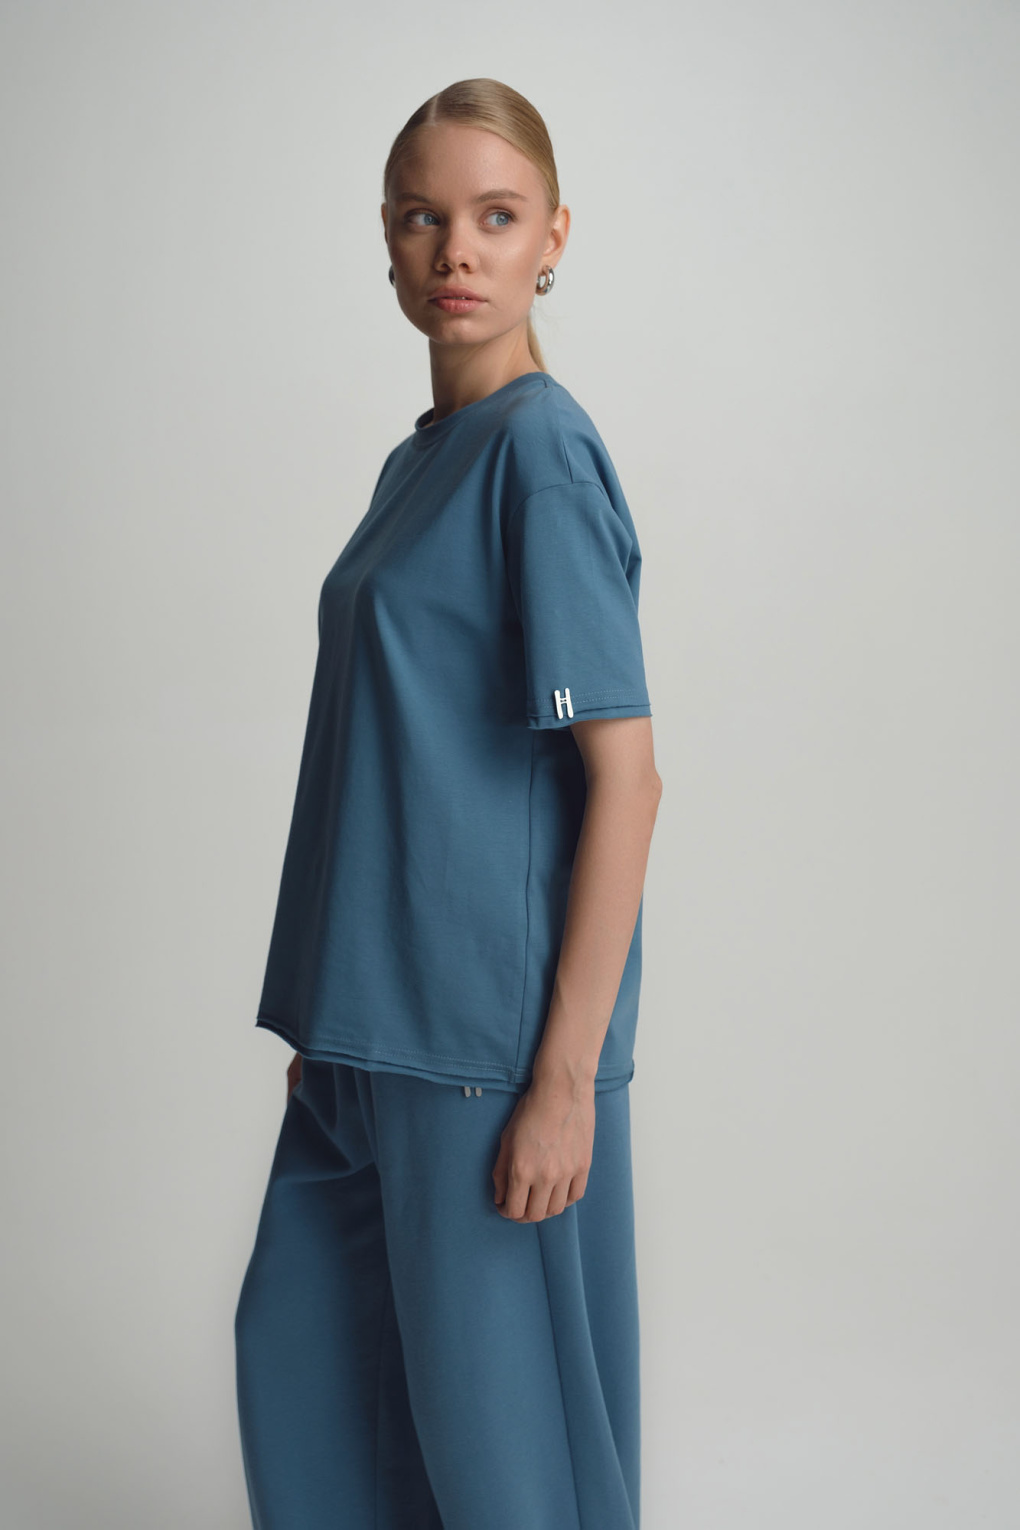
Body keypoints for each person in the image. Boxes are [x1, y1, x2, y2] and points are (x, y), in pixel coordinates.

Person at [234, 77, 662, 1530]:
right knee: (319, 1404)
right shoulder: (420, 460)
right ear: (387, 237)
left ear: (554, 239)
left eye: (495, 216)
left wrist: (563, 1081)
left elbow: (626, 778)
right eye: (424, 218)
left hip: (485, 1051)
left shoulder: (541, 454)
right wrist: (333, 1021)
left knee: (503, 1470)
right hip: (369, 1038)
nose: (457, 250)